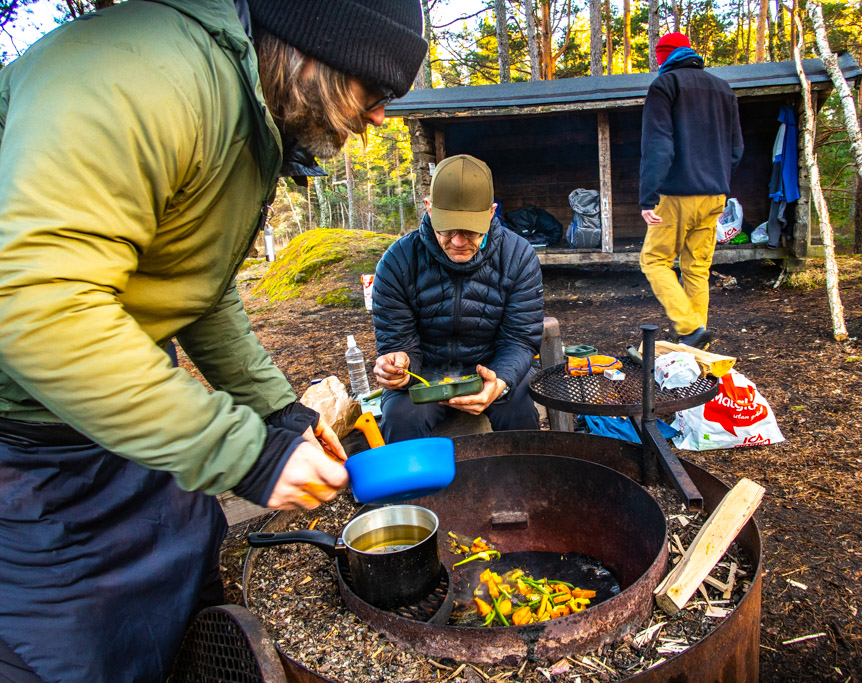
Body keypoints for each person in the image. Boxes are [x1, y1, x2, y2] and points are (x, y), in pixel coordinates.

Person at [0, 1, 426, 680]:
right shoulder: (139, 78)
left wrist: (276, 413)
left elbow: (195, 285)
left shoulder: (248, 112)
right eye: (373, 89)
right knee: (69, 655)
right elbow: (35, 306)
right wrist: (246, 451)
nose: (380, 115)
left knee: (185, 604)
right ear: (312, 51)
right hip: (24, 455)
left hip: (130, 415)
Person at [372, 155, 543, 442]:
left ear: (491, 213)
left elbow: (520, 339)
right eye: (447, 228)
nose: (459, 241)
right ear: (428, 209)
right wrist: (399, 365)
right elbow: (398, 342)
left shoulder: (519, 256)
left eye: (470, 230)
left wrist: (499, 381)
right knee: (400, 419)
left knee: (520, 412)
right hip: (425, 376)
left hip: (492, 366)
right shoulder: (397, 262)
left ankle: (522, 485)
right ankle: (419, 489)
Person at [638, 32, 744, 350]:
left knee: (654, 261)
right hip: (715, 196)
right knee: (696, 267)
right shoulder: (724, 89)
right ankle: (698, 345)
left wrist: (648, 195)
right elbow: (736, 149)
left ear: (665, 56)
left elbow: (659, 145)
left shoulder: (665, 85)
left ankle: (688, 327)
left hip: (677, 194)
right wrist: (718, 181)